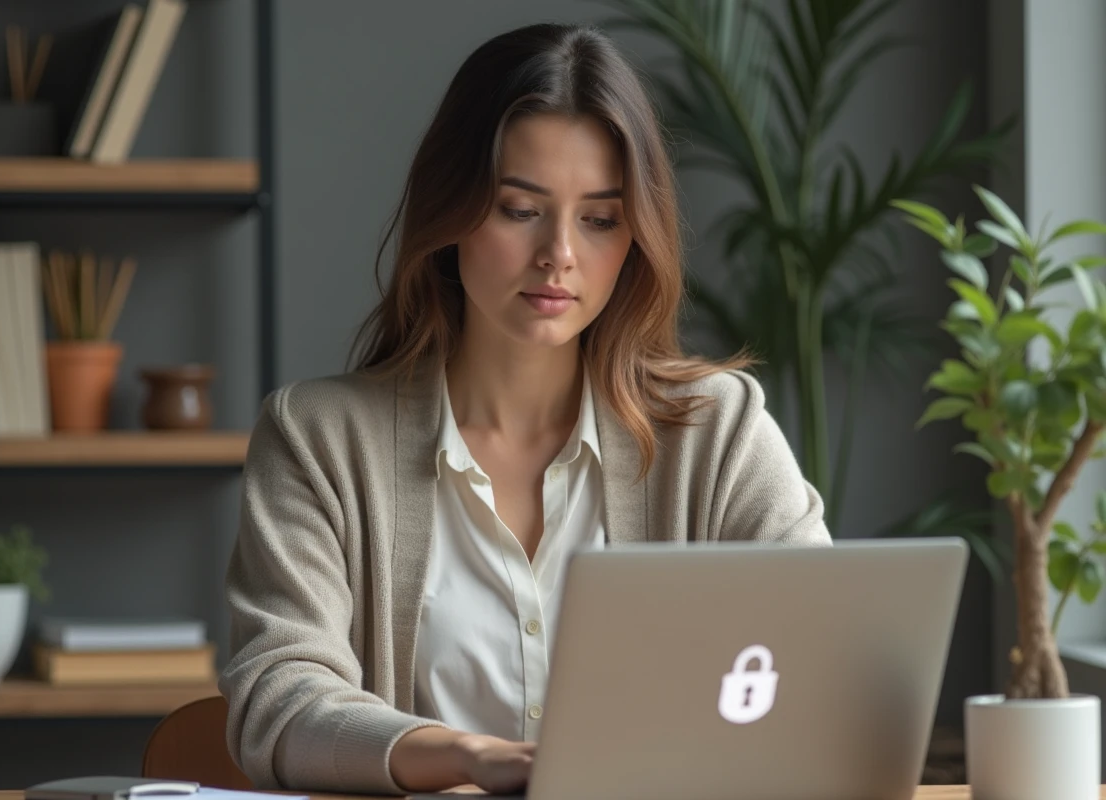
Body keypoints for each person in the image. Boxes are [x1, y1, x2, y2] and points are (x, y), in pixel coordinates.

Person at [219, 20, 830, 797]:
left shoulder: (718, 431)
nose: (560, 255)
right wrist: (469, 757)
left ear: (635, 236)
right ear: (453, 212)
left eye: (600, 219)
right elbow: (280, 696)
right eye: (519, 209)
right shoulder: (316, 441)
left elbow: (820, 656)